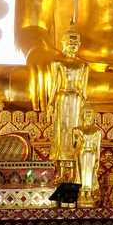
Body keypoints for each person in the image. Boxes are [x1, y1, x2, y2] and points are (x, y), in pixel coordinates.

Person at [48, 21, 88, 183]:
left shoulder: (84, 65)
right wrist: (50, 104)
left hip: (77, 99)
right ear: (63, 43)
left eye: (75, 43)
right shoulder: (57, 63)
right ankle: (60, 172)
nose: (72, 46)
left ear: (79, 44)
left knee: (74, 135)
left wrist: (86, 105)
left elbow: (83, 89)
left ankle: (72, 175)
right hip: (63, 97)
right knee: (62, 133)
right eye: (69, 42)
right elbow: (55, 86)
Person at [73, 104, 102, 208]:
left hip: (92, 153)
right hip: (81, 152)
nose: (89, 115)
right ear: (82, 114)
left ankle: (89, 194)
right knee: (81, 173)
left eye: (90, 112)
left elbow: (98, 146)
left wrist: (98, 158)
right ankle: (81, 194)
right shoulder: (76, 129)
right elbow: (74, 145)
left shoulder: (97, 131)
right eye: (87, 112)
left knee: (90, 173)